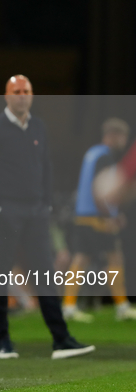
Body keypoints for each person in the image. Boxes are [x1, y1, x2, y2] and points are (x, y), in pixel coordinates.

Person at [0, 75, 94, 359]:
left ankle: (61, 339)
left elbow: (46, 166)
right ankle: (2, 341)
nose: (22, 96)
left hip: (36, 212)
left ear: (32, 95)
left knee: (46, 274)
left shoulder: (38, 126)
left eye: (26, 91)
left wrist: (46, 204)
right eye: (16, 91)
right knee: (0, 273)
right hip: (8, 211)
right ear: (7, 96)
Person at [63, 118, 136, 322]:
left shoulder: (91, 153)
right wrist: (111, 216)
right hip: (98, 218)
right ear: (113, 135)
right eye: (122, 137)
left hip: (83, 215)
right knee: (114, 258)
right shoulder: (105, 156)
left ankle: (69, 305)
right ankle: (122, 306)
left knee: (82, 259)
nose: (124, 141)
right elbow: (101, 190)